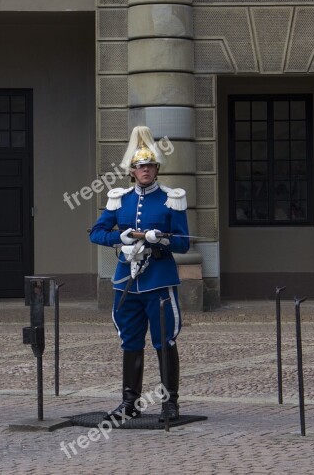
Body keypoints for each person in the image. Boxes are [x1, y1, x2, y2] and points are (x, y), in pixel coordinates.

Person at [89, 126, 189, 422]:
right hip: (126, 283)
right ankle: (129, 402)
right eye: (140, 166)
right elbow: (97, 233)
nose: (145, 170)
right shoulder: (119, 199)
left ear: (157, 169)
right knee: (130, 341)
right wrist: (124, 238)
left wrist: (162, 238)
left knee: (164, 341)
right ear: (132, 172)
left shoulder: (172, 199)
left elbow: (183, 242)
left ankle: (170, 403)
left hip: (158, 280)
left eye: (150, 166)